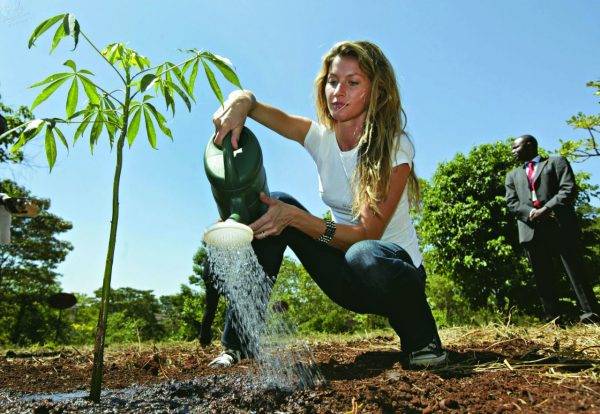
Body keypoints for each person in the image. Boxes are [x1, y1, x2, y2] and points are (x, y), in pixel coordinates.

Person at [208, 40, 447, 368]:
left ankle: (422, 340)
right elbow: (260, 109)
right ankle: (238, 343)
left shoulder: (394, 145)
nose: (338, 91)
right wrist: (240, 100)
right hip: (346, 276)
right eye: (333, 82)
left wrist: (294, 219)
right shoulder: (321, 138)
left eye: (353, 83)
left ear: (376, 90)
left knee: (362, 252)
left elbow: (366, 235)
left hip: (391, 276)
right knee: (274, 203)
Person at [505, 135, 600, 324]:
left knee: (575, 271)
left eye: (516, 147)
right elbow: (512, 203)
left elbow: (568, 189)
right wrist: (532, 212)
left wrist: (546, 209)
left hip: (559, 225)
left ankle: (591, 316)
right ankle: (553, 319)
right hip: (531, 230)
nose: (513, 151)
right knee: (542, 277)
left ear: (529, 144)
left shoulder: (556, 162)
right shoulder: (512, 175)